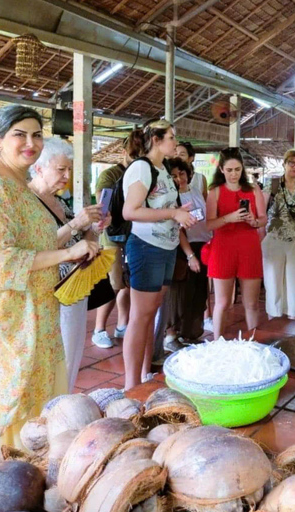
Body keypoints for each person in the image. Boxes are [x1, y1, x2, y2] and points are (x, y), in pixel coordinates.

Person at [0, 105, 99, 504]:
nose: (30, 143)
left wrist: (71, 247)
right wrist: (67, 253)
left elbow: (35, 245)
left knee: (37, 418)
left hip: (37, 316)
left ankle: (25, 489)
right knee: (11, 417)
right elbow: (1, 261)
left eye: (36, 135)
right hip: (5, 327)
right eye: (19, 135)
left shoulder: (19, 185)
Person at [121, 120, 197, 390]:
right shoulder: (142, 168)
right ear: (155, 139)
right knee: (140, 315)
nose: (175, 143)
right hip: (146, 246)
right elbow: (130, 211)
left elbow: (163, 206)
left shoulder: (162, 169)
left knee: (151, 312)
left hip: (165, 247)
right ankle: (131, 384)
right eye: (171, 137)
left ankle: (143, 373)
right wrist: (173, 213)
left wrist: (180, 212)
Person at [28, 137, 105, 390]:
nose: (66, 176)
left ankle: (63, 399)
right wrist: (75, 225)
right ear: (39, 168)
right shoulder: (28, 202)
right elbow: (35, 249)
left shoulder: (59, 201)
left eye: (69, 170)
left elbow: (80, 240)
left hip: (72, 287)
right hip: (49, 290)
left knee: (71, 353)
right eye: (61, 169)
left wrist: (93, 229)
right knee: (53, 357)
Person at [205, 147, 266, 340]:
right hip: (223, 248)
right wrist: (229, 218)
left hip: (249, 247)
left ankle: (254, 343)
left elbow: (263, 218)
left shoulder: (253, 189)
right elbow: (209, 224)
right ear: (221, 170)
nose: (234, 174)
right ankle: (217, 342)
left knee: (252, 303)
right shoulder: (215, 192)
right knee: (223, 302)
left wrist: (254, 222)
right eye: (229, 170)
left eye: (237, 169)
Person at [158, 158, 211, 349]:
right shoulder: (170, 198)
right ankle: (170, 336)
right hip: (183, 250)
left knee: (197, 294)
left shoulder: (196, 192)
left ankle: (190, 334)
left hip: (202, 246)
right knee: (178, 295)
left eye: (182, 173)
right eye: (173, 175)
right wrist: (190, 255)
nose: (179, 178)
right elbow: (178, 229)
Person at [261, 149, 295, 319]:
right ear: (284, 164)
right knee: (273, 278)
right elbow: (261, 210)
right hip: (275, 236)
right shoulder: (273, 184)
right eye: (292, 163)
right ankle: (274, 312)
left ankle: (292, 312)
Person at [91, 146, 132, 349]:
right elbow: (102, 200)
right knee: (113, 284)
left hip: (131, 234)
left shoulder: (142, 171)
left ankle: (122, 325)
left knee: (127, 283)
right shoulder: (111, 174)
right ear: (125, 151)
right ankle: (99, 329)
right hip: (112, 236)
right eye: (133, 154)